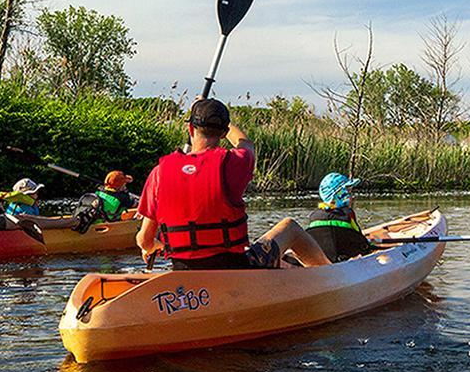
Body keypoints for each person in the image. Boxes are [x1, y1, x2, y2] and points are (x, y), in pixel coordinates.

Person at [135, 98, 330, 270]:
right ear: (223, 133)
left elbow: (144, 239)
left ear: (190, 129)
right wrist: (223, 121)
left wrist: (154, 246)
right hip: (235, 269)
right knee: (290, 227)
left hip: (185, 271)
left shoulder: (160, 173)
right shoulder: (234, 163)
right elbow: (245, 142)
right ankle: (332, 276)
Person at [304, 172, 378, 263]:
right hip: (346, 261)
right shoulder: (347, 215)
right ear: (339, 195)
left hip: (324, 261)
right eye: (347, 191)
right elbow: (361, 242)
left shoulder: (314, 216)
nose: (351, 195)